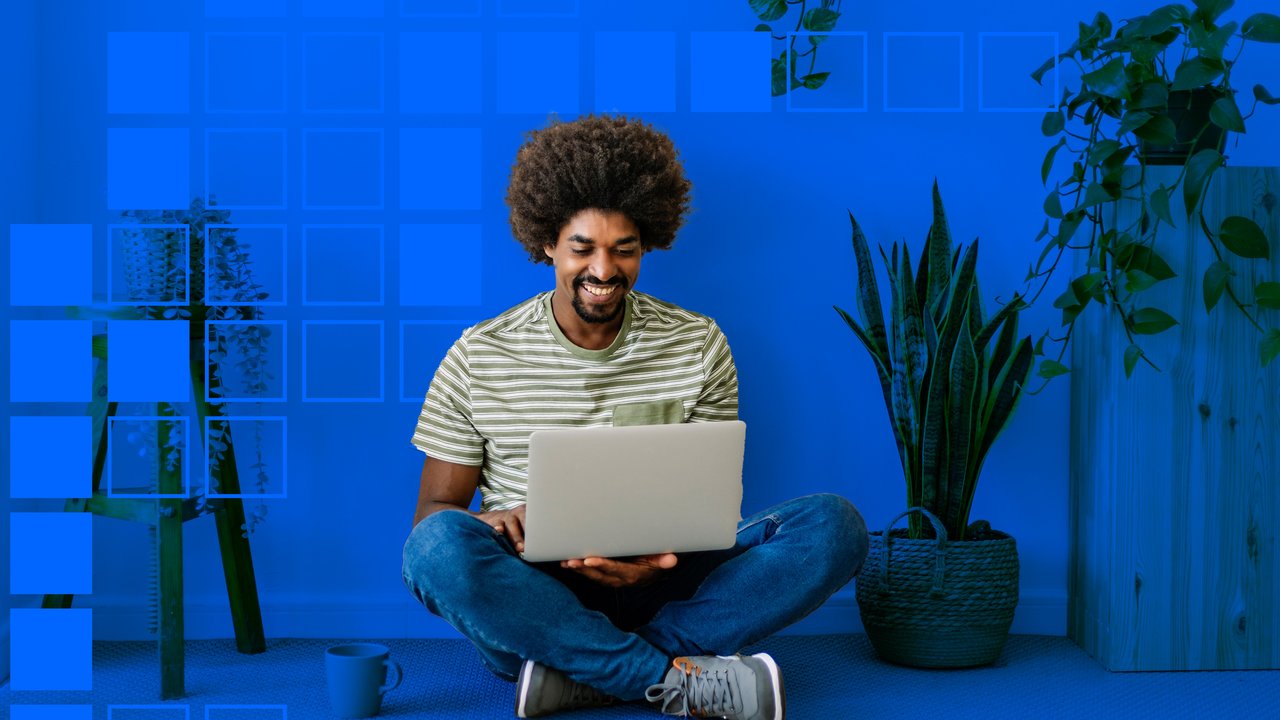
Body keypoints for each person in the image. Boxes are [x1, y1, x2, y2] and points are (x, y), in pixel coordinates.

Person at [401, 114, 869, 719]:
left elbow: (710, 499)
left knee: (835, 525)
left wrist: (654, 560)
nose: (603, 270)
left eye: (623, 250)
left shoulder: (697, 342)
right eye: (582, 248)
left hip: (667, 579)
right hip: (534, 595)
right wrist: (500, 518)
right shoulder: (478, 354)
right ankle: (668, 677)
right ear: (546, 242)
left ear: (647, 244)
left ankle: (582, 673)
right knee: (435, 548)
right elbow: (434, 513)